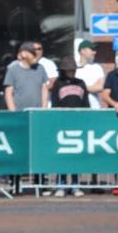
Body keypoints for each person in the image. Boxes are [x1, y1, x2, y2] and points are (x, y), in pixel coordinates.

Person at [48, 56, 89, 197]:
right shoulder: (58, 84)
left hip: (78, 122)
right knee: (63, 155)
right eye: (69, 69)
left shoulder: (81, 83)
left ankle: (76, 185)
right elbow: (54, 103)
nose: (72, 72)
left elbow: (85, 103)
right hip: (62, 123)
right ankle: (61, 185)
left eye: (73, 69)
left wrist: (85, 118)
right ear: (64, 70)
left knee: (76, 155)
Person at [4, 42, 48, 111]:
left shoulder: (40, 68)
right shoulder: (13, 70)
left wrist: (44, 109)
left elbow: (44, 90)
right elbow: (8, 93)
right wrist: (13, 112)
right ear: (23, 54)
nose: (36, 55)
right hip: (19, 112)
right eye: (33, 53)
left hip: (38, 112)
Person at [75, 40, 104, 109]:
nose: (94, 52)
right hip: (77, 108)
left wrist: (80, 88)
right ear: (82, 51)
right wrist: (91, 88)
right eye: (92, 50)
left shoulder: (97, 67)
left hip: (94, 108)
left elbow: (100, 87)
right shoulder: (73, 67)